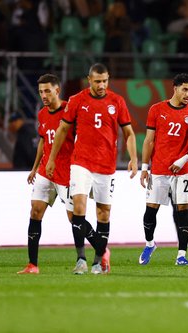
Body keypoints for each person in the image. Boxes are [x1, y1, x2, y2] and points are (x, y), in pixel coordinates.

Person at [46, 63, 138, 274]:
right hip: (81, 162)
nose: (101, 85)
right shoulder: (77, 100)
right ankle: (81, 259)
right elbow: (62, 130)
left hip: (106, 165)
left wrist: (134, 158)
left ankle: (98, 261)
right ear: (89, 80)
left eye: (105, 81)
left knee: (103, 213)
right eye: (97, 81)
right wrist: (51, 158)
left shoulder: (117, 101)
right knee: (78, 208)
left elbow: (129, 133)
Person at [17, 74, 100, 274]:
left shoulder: (71, 112)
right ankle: (32, 265)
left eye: (47, 91)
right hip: (46, 171)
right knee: (35, 211)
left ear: (57, 90)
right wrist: (35, 167)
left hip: (67, 173)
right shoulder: (42, 114)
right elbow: (43, 142)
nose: (43, 95)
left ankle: (101, 249)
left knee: (74, 218)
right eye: (40, 92)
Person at [139, 73, 188, 266]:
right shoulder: (156, 109)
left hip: (183, 171)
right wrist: (144, 167)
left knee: (183, 211)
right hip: (158, 169)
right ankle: (150, 244)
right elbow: (149, 140)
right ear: (174, 88)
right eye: (184, 89)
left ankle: (181, 255)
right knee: (151, 211)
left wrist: (183, 160)